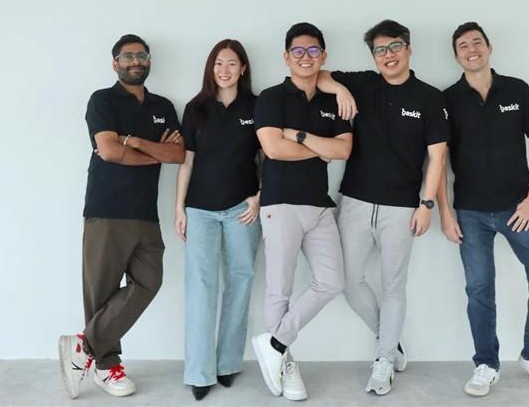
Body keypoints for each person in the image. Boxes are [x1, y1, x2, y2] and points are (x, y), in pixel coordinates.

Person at [317, 19, 448, 395]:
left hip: (402, 208)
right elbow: (318, 76)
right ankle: (387, 340)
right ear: (373, 56)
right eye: (380, 50)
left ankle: (384, 360)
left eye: (394, 47)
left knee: (394, 286)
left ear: (408, 49)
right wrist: (341, 89)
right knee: (348, 279)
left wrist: (426, 205)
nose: (388, 55)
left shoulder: (429, 98)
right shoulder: (363, 83)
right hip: (355, 201)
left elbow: (437, 158)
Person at [436, 22, 529, 397]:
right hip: (470, 213)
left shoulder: (517, 90)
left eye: (477, 42)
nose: (471, 49)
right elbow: (437, 160)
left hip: (518, 208)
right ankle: (486, 364)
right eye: (463, 45)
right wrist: (445, 212)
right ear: (456, 56)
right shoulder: (447, 100)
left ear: (489, 48)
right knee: (479, 289)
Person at [58, 34, 184, 399]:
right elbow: (110, 151)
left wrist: (136, 142)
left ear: (149, 61)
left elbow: (177, 156)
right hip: (107, 209)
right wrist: (152, 152)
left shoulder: (163, 106)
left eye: (141, 55)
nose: (135, 61)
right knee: (102, 293)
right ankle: (106, 367)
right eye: (127, 56)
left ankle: (83, 345)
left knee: (150, 281)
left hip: (145, 213)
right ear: (115, 63)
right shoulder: (102, 100)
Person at [250, 22, 353, 402]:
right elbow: (273, 149)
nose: (305, 57)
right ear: (286, 57)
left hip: (319, 205)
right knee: (279, 289)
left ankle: (275, 343)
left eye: (312, 51)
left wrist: (299, 135)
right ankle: (286, 362)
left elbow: (343, 150)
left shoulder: (334, 100)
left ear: (323, 56)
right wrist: (320, 147)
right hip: (281, 203)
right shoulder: (271, 97)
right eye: (298, 51)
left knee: (333, 281)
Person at [174, 39, 261, 401]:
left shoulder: (257, 106)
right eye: (218, 63)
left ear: (243, 68)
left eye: (231, 63)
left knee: (241, 280)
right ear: (211, 68)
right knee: (201, 286)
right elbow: (187, 161)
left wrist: (259, 196)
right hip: (200, 210)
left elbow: (268, 156)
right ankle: (199, 371)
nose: (224, 70)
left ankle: (227, 364)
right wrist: (179, 208)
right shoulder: (196, 109)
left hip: (243, 209)